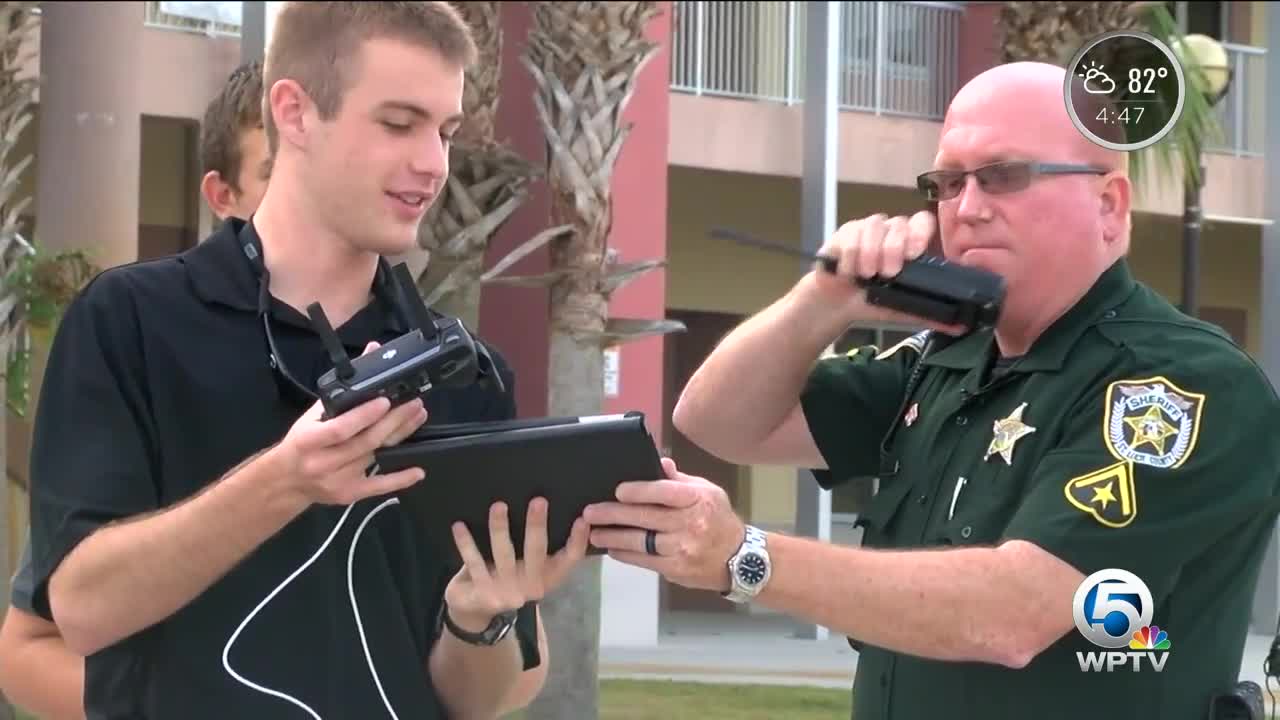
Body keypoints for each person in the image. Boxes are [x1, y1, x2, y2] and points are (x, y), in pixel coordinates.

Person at [585, 61, 1280, 719]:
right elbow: (717, 421)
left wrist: (744, 556)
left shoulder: (1177, 383)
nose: (966, 209)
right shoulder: (946, 357)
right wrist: (824, 301)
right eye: (947, 183)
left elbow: (1015, 613)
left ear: (1107, 202)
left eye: (1002, 175)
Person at [24, 3, 590, 718]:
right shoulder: (131, 320)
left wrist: (480, 618)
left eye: (444, 131)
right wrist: (286, 480)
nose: (433, 163)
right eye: (398, 123)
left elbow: (478, 702)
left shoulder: (467, 374)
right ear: (294, 112)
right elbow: (80, 609)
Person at [0, 59, 274, 720]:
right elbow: (27, 646)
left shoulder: (432, 361)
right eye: (278, 171)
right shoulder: (145, 356)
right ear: (222, 194)